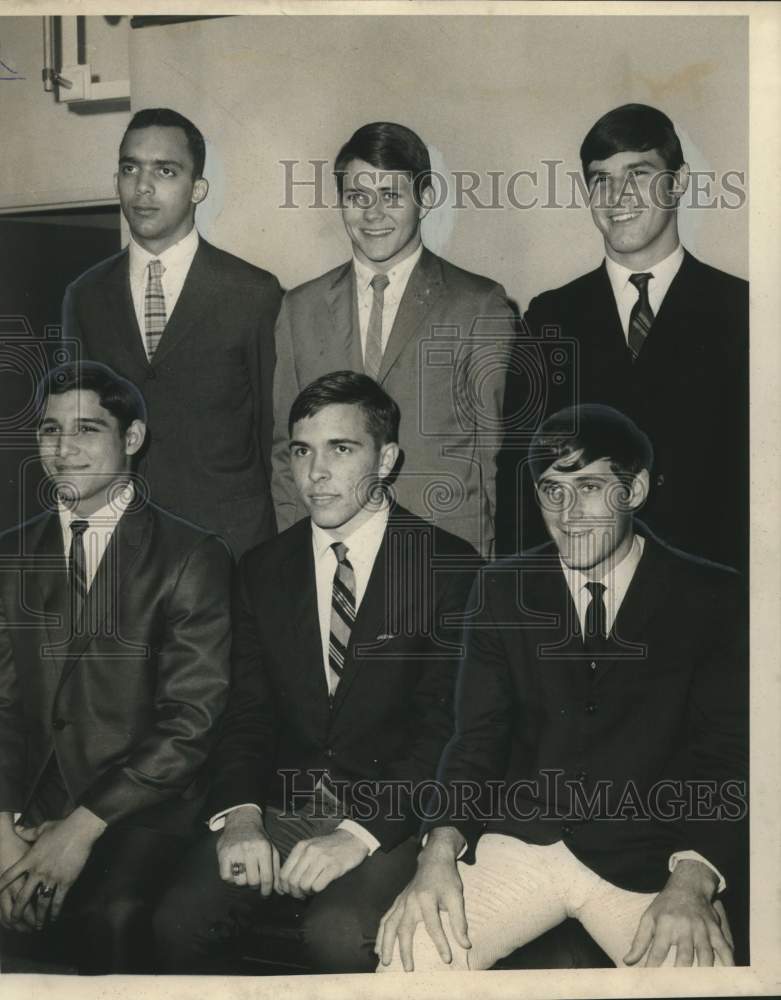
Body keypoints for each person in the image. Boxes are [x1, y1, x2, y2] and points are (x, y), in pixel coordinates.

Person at [376, 404, 748, 972]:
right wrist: (438, 850)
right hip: (524, 839)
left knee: (697, 975)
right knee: (411, 953)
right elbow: (475, 740)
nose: (569, 514)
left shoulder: (714, 598)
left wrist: (695, 877)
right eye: (552, 491)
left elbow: (729, 757)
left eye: (591, 487)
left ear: (637, 489)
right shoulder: (502, 592)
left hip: (652, 857)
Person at [154, 371, 477, 973]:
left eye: (341, 449)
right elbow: (245, 711)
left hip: (391, 816)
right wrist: (243, 815)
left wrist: (359, 835)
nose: (316, 472)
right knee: (177, 921)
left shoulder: (451, 568)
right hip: (278, 810)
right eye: (302, 451)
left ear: (386, 460)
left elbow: (447, 729)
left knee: (340, 934)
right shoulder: (262, 569)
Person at [0, 361, 232, 974]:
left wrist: (78, 830)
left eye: (86, 430)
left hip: (141, 808)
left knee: (115, 914)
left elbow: (190, 723)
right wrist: (1, 829)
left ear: (131, 438)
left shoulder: (190, 556)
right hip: (28, 796)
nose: (63, 449)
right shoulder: (11, 552)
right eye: (49, 431)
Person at [498, 103, 748, 568]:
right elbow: (518, 469)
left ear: (679, 182)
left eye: (639, 174)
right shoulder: (550, 316)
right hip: (580, 591)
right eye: (601, 179)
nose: (618, 195)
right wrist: (521, 598)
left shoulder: (744, 310)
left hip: (711, 591)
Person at [271, 121, 516, 557]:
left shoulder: (478, 306)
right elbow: (285, 455)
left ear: (423, 198)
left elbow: (498, 455)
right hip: (334, 554)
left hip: (446, 556)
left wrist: (494, 571)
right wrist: (294, 557)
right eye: (358, 197)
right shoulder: (299, 309)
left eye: (390, 196)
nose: (373, 214)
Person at [63, 108, 282, 559]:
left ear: (197, 189)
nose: (143, 187)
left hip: (229, 548)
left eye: (165, 170)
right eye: (130, 168)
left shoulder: (253, 293)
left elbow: (272, 435)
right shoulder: (85, 296)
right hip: (123, 549)